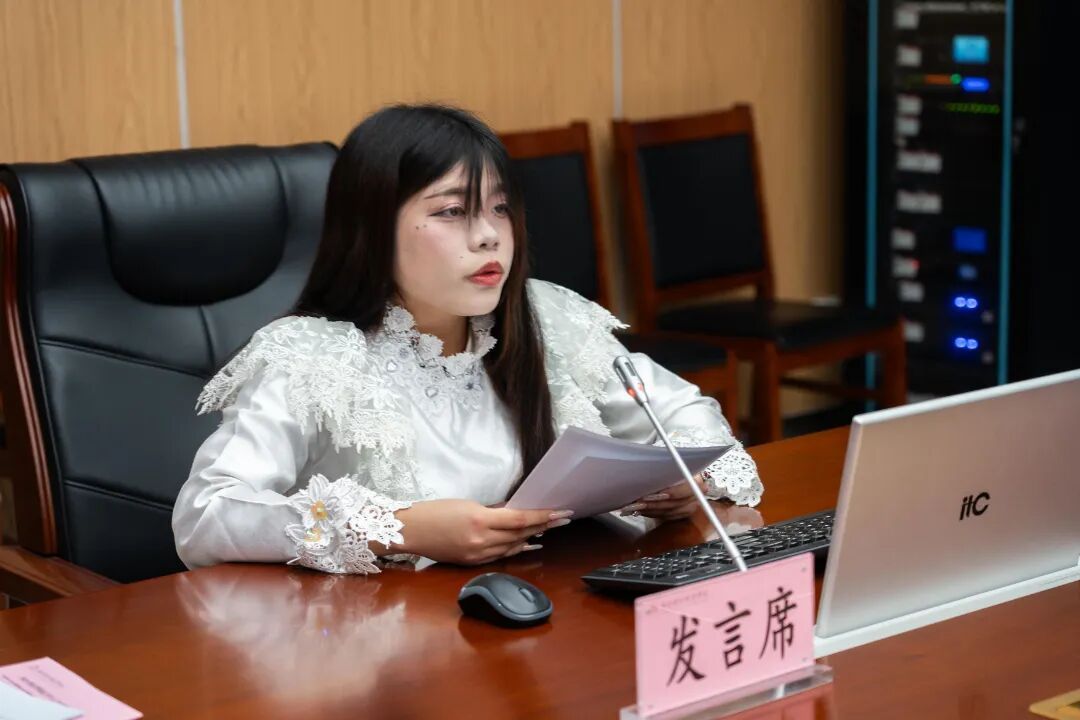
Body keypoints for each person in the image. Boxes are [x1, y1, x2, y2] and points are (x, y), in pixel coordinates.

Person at [172, 104, 762, 576]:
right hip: (379, 645)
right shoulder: (314, 358)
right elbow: (206, 514)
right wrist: (399, 529)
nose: (488, 237)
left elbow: (684, 414)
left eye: (500, 208)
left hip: (543, 611)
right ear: (373, 229)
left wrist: (690, 484)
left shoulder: (543, 318)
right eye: (453, 211)